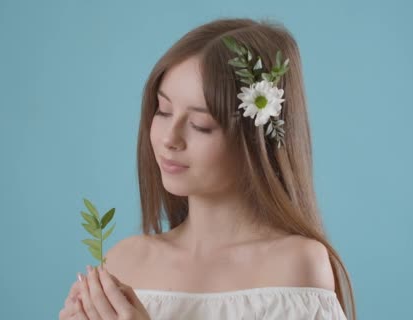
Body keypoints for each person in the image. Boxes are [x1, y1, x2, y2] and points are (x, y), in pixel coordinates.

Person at [59, 17, 356, 320]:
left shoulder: (295, 265)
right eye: (163, 111)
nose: (169, 138)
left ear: (254, 141)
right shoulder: (124, 261)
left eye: (201, 126)